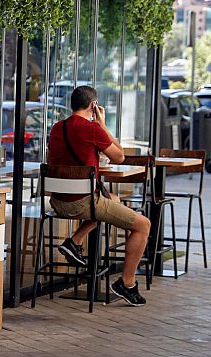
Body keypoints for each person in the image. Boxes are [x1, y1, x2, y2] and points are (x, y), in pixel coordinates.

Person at [48, 85, 151, 306]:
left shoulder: (57, 127)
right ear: (93, 105)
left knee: (112, 200)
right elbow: (120, 157)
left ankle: (75, 241)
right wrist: (103, 125)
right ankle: (127, 283)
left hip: (57, 202)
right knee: (143, 225)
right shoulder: (92, 129)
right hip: (82, 203)